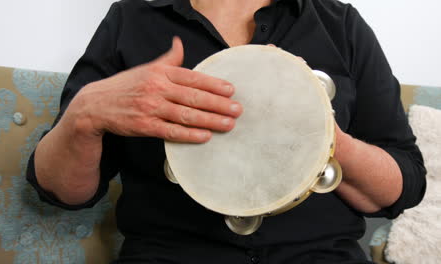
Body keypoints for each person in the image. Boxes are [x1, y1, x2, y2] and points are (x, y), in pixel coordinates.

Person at [26, 0, 427, 263]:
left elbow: (402, 187)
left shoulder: (340, 25)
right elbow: (62, 192)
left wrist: (316, 129)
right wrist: (84, 115)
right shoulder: (130, 20)